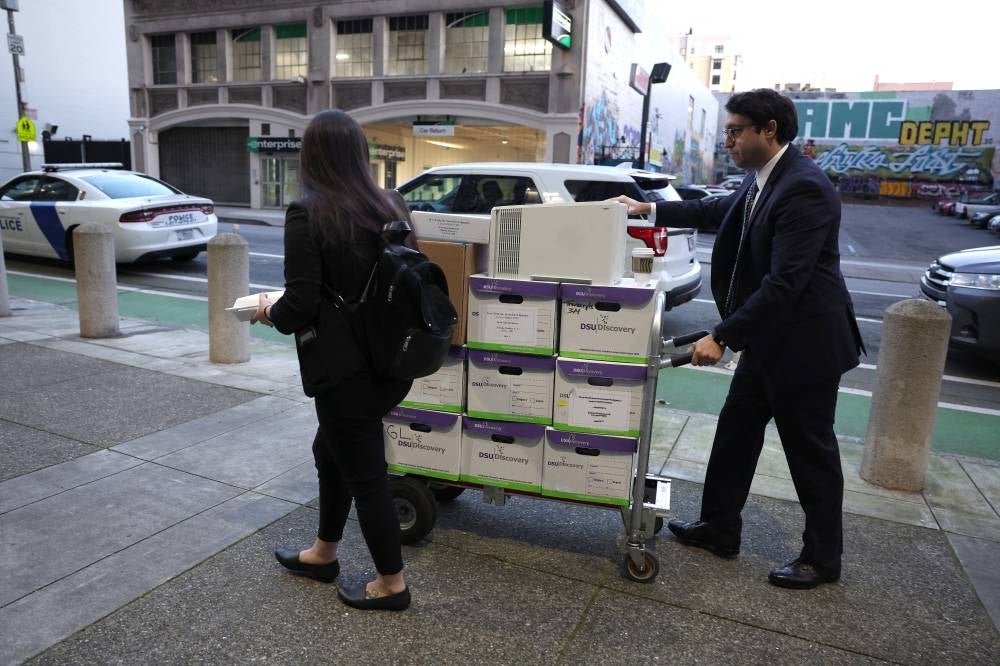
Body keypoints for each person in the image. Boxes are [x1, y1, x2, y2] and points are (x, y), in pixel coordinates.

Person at [614, 88, 863, 590]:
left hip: (805, 346)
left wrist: (722, 335)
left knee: (809, 451)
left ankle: (822, 558)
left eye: (735, 131)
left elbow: (786, 282)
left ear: (768, 130)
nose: (727, 140)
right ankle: (720, 528)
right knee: (735, 434)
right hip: (770, 340)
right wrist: (647, 209)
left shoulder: (804, 187)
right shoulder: (763, 181)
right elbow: (713, 212)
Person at [249, 109, 413, 611]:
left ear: (312, 155)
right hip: (392, 364)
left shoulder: (309, 212)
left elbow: (298, 305)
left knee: (366, 477)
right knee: (331, 451)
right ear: (360, 153)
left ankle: (392, 584)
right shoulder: (392, 204)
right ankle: (324, 552)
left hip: (344, 372)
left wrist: (265, 310)